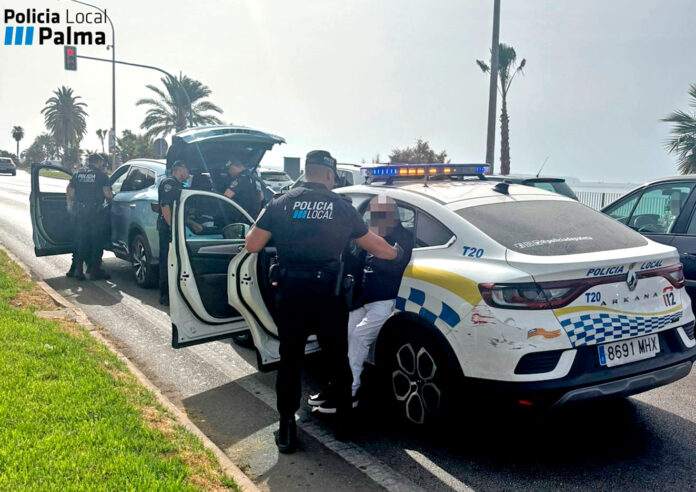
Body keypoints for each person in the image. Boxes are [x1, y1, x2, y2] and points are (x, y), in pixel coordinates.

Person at [245, 150, 402, 453]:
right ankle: (343, 423)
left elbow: (252, 245)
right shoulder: (342, 208)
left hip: (292, 294)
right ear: (330, 175)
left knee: (290, 361)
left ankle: (287, 428)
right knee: (337, 359)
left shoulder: (280, 203)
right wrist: (398, 254)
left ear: (306, 172)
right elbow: (375, 246)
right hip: (329, 296)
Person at [311, 195, 414, 413]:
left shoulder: (402, 238)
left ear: (393, 215)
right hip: (362, 299)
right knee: (343, 338)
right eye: (373, 213)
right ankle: (337, 386)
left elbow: (395, 262)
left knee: (358, 338)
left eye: (382, 213)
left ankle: (351, 392)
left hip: (385, 301)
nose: (377, 218)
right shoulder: (368, 236)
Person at [157, 161, 201, 306]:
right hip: (168, 229)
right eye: (187, 171)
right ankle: (165, 296)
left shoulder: (179, 185)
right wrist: (173, 228)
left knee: (176, 261)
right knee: (167, 261)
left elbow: (179, 211)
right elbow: (165, 207)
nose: (188, 174)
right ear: (180, 169)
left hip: (177, 228)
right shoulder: (168, 183)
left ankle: (176, 293)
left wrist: (192, 224)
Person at [66, 154, 113, 280]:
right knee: (96, 242)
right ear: (98, 162)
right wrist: (110, 203)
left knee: (81, 240)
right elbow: (107, 194)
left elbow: (70, 192)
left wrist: (71, 207)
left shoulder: (78, 174)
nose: (103, 165)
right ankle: (94, 271)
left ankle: (78, 270)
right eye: (102, 163)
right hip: (95, 213)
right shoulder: (101, 176)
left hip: (80, 212)